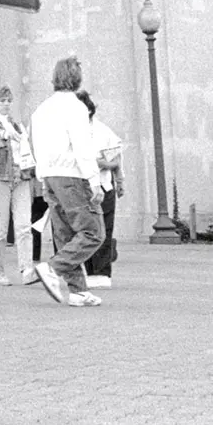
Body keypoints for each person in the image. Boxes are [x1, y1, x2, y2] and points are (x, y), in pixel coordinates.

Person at [28, 55, 106, 307]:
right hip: (72, 174)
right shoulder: (76, 107)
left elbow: (34, 145)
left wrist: (42, 177)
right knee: (93, 232)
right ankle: (53, 268)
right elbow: (82, 146)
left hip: (49, 176)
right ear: (77, 78)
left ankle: (77, 291)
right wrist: (94, 180)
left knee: (64, 233)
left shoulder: (41, 109)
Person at [0, 87, 35, 285]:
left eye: (9, 100)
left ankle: (27, 269)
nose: (6, 104)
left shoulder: (18, 125)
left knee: (24, 226)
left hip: (20, 177)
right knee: (0, 229)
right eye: (2, 100)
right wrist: (6, 134)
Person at [79, 91, 121, 287]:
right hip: (79, 187)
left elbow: (115, 160)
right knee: (85, 230)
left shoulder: (103, 131)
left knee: (104, 229)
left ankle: (102, 272)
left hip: (103, 185)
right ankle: (86, 272)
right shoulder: (68, 132)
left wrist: (118, 179)